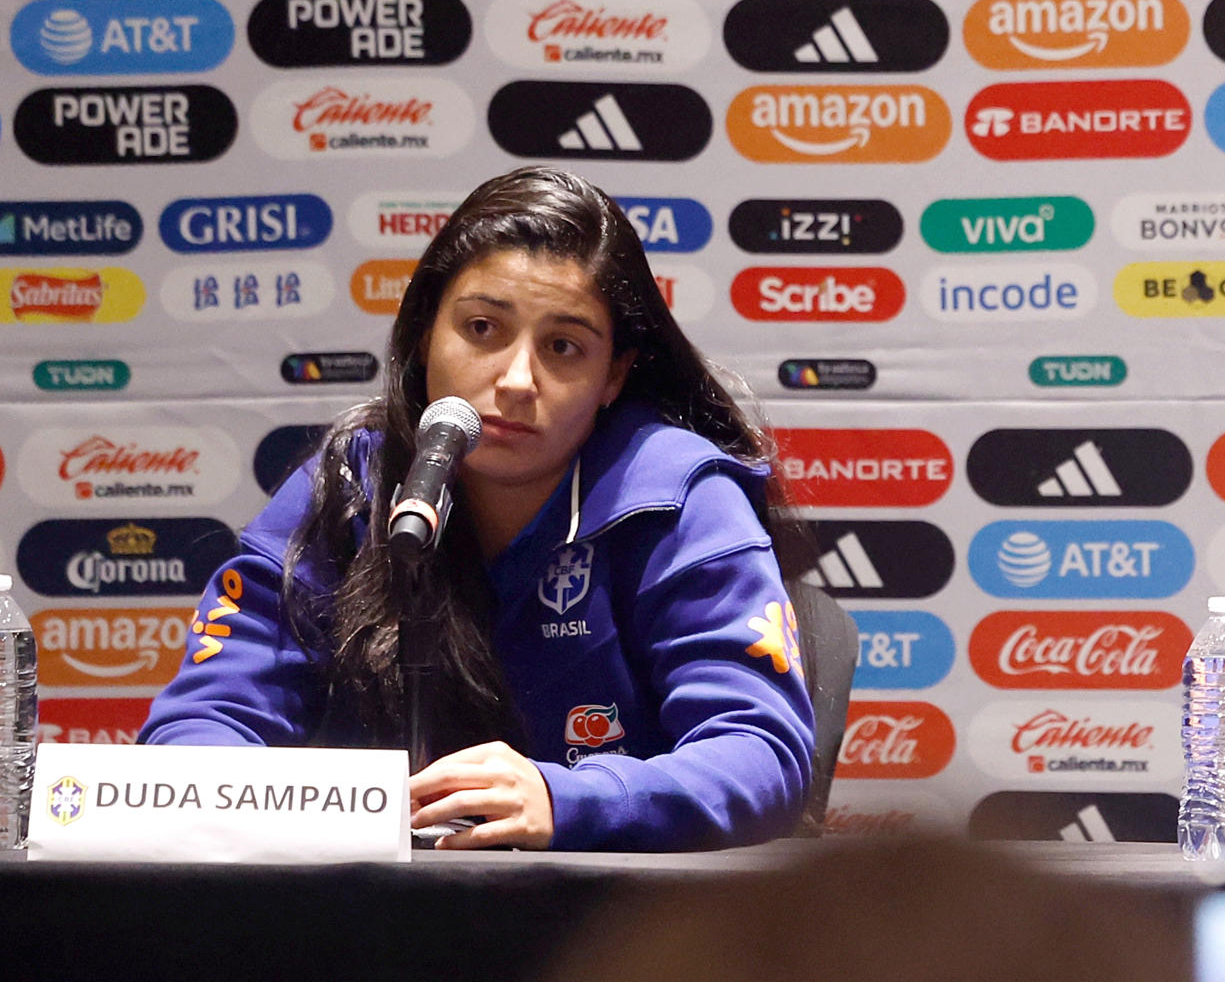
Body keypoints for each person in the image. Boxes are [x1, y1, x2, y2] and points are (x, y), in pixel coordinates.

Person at [141, 166, 815, 851]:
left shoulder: (678, 496)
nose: (517, 380)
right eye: (483, 328)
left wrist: (564, 799)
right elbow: (197, 730)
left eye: (563, 347)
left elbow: (761, 756)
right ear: (425, 334)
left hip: (618, 928)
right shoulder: (351, 484)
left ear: (613, 374)